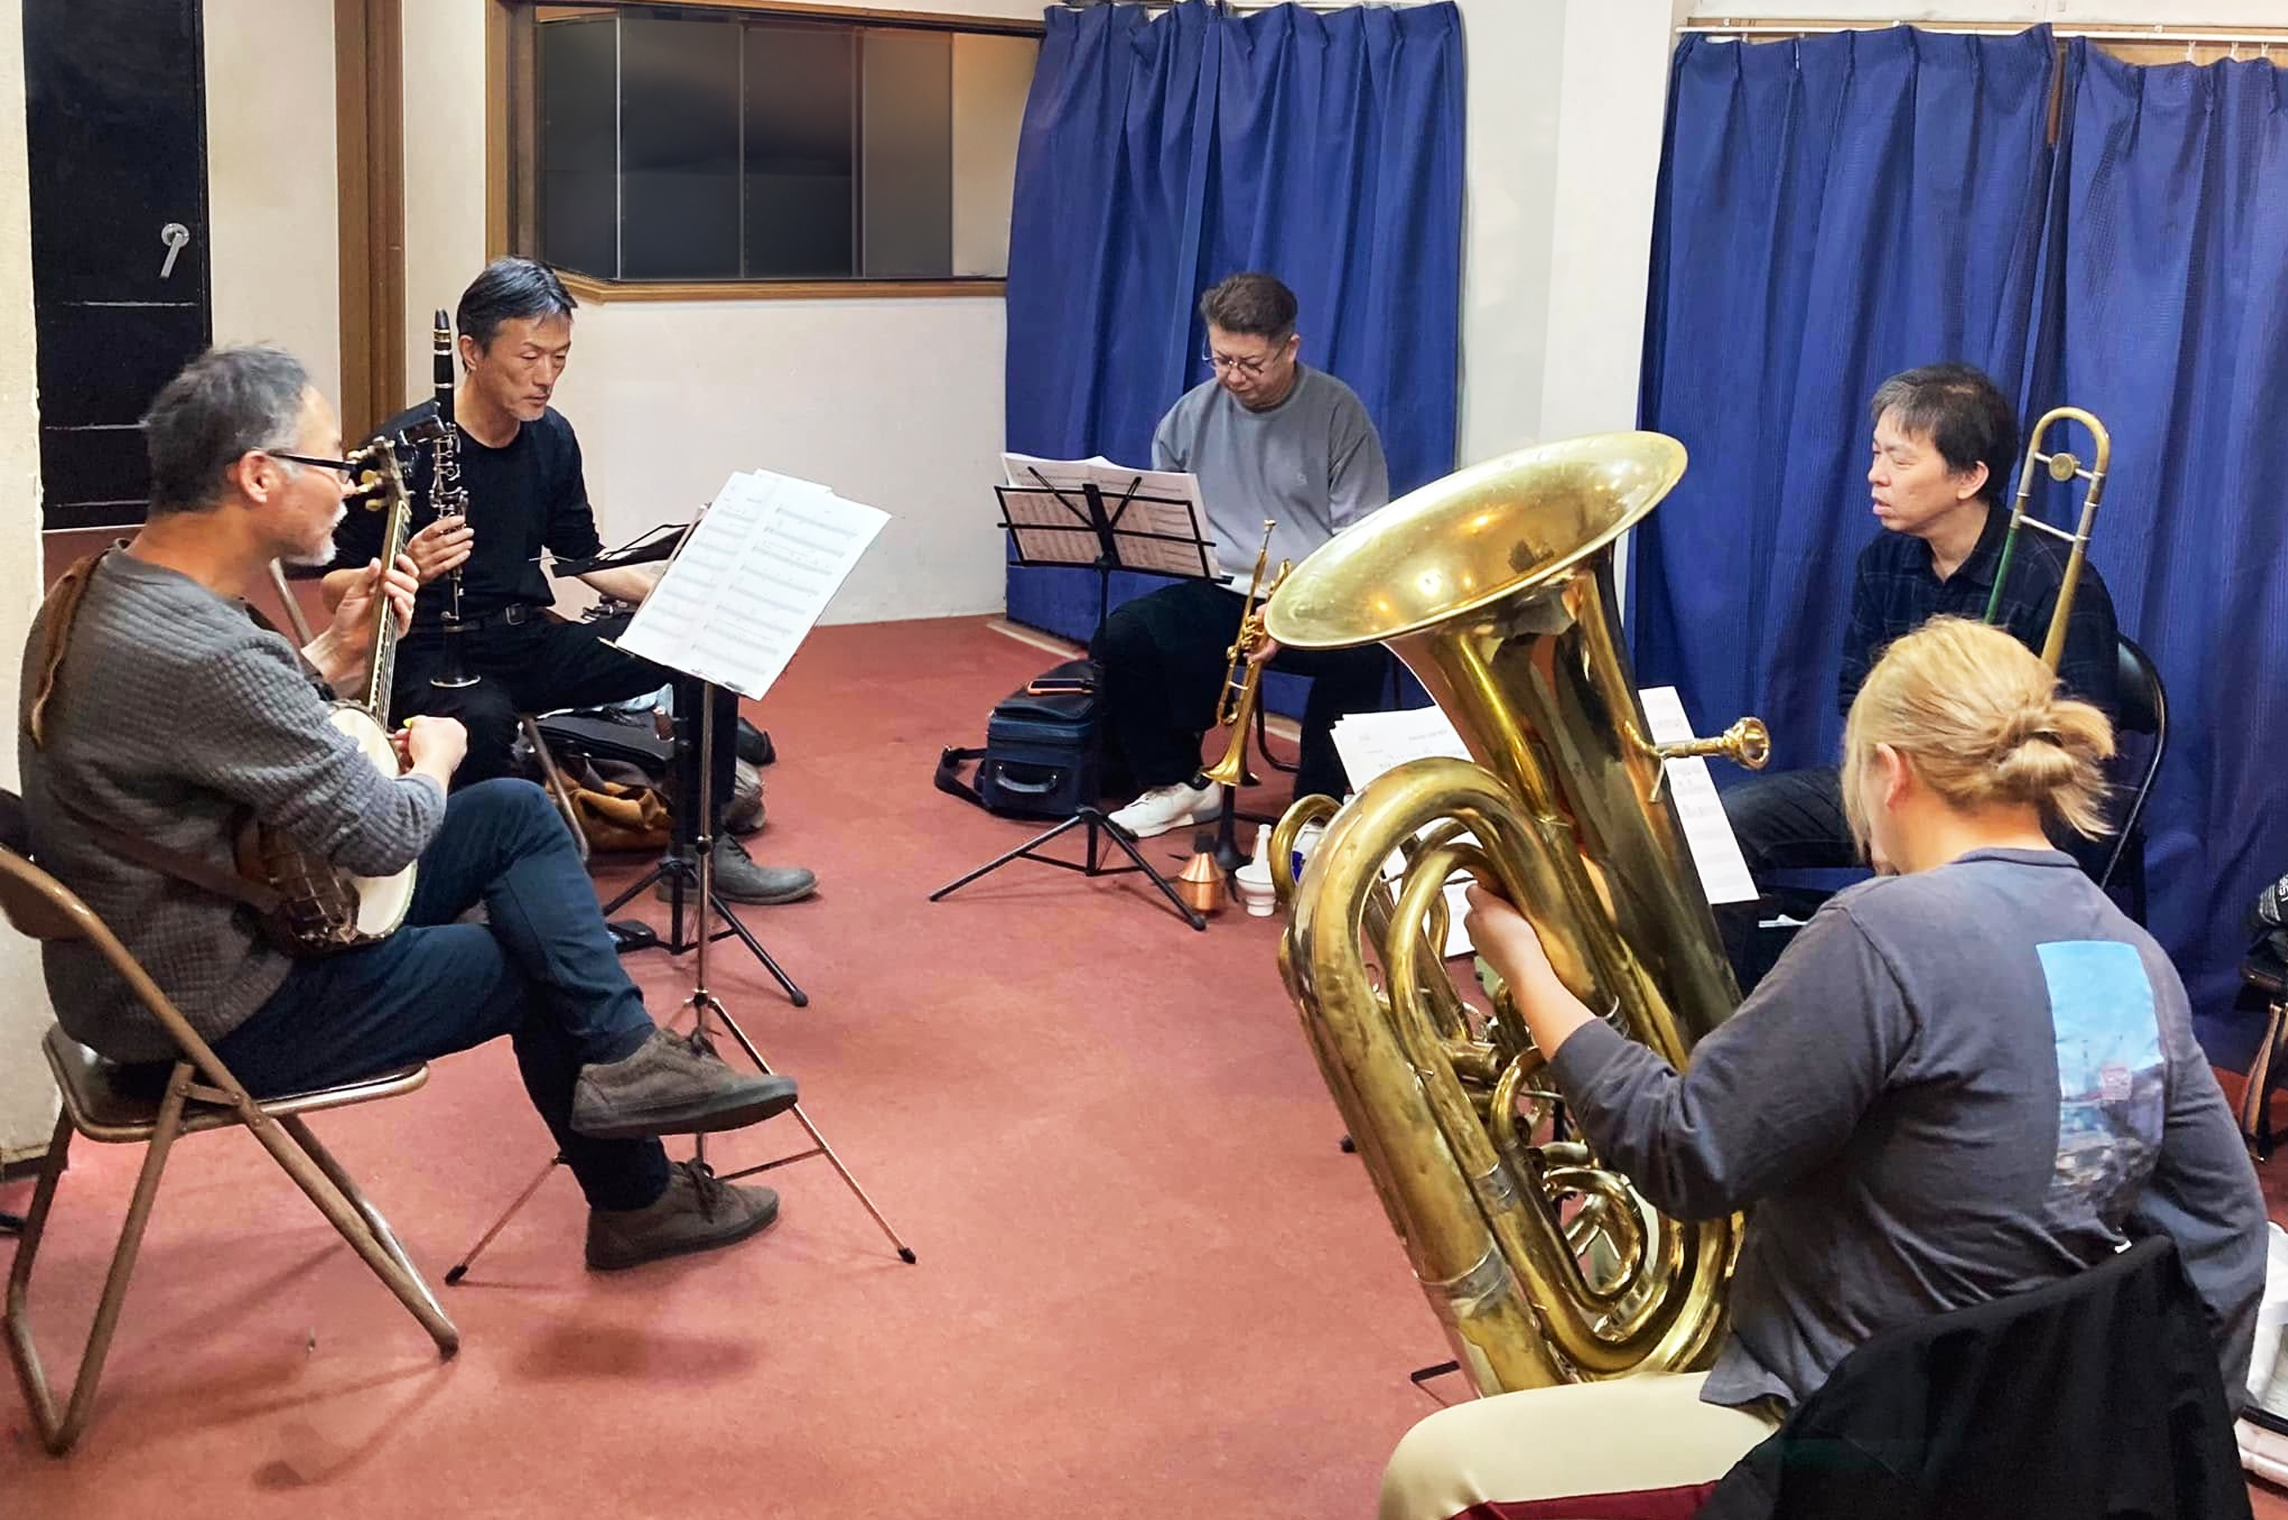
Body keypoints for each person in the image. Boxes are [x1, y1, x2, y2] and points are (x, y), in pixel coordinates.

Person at [1377, 617, 2264, 1518]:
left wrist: (1526, 969)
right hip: (2014, 1445)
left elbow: (1683, 1153)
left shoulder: (1883, 929)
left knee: (1435, 1471)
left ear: (1890, 769)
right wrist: (2134, 1450)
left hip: (1845, 1437)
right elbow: (2227, 1232)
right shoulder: (2134, 958)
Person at [20, 344, 799, 1272]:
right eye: (331, 461)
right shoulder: (208, 651)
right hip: (209, 1010)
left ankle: (629, 1061)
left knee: (513, 812)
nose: (349, 486)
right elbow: (386, 832)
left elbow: (212, 734)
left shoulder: (100, 589)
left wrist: (331, 662)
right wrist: (436, 757)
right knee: (537, 963)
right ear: (258, 477)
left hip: (151, 965)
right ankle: (639, 1197)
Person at [322, 256, 813, 906]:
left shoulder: (552, 437)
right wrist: (404, 563)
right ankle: (489, 893)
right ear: (471, 351)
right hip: (433, 655)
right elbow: (332, 585)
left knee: (699, 648)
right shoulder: (404, 448)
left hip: (527, 641)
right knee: (482, 720)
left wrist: (685, 601)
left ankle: (701, 848)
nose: (547, 376)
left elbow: (584, 557)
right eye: (530, 356)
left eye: (560, 357)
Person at [1719, 363, 2121, 982]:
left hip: (1997, 807)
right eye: (1876, 453)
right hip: (1893, 783)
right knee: (1726, 828)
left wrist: (1922, 826)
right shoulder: (1883, 561)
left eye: (1900, 460)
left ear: (1970, 478)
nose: (1875, 475)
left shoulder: (2057, 582)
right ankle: (1724, 1012)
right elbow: (1859, 702)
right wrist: (1882, 813)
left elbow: (2078, 754)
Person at [1094, 272, 1395, 839]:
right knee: (1126, 635)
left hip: (1314, 596)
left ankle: (1316, 808)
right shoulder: (1190, 414)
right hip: (1223, 591)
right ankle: (1178, 783)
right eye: (1221, 359)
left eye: (1250, 363)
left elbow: (1359, 541)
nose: (1233, 376)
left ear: (1290, 348)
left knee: (1361, 657)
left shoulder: (1338, 412)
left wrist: (1289, 612)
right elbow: (1170, 522)